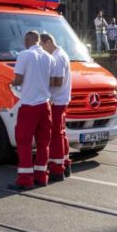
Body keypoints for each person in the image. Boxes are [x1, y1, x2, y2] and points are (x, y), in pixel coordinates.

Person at [9, 30, 53, 190]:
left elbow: (19, 79)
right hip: (45, 105)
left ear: (28, 40)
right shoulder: (49, 57)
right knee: (43, 143)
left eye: (24, 41)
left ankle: (25, 179)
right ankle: (42, 176)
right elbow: (53, 80)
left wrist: (13, 83)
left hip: (29, 104)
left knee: (24, 141)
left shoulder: (24, 55)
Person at [40, 33, 72, 181]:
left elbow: (58, 81)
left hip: (57, 100)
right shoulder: (62, 53)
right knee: (61, 132)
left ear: (47, 42)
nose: (42, 50)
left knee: (55, 134)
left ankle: (57, 168)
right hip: (62, 99)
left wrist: (42, 82)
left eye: (41, 46)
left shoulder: (57, 58)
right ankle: (65, 163)